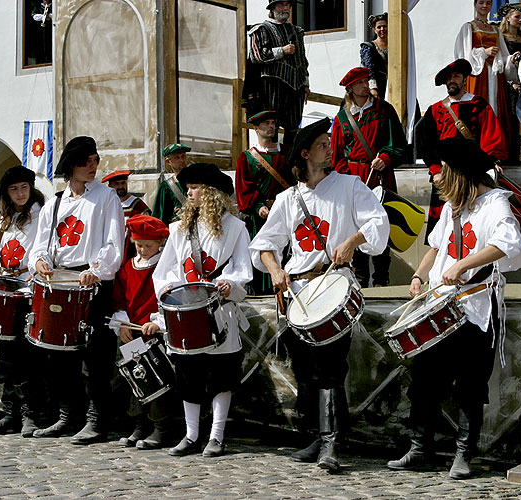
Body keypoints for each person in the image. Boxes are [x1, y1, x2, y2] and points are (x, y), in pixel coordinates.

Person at [249, 117, 389, 472]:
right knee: (305, 368)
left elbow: (377, 223)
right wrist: (276, 269)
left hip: (334, 287)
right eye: (323, 145)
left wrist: (352, 240)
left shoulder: (350, 186)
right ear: (306, 154)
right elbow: (264, 244)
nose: (331, 148)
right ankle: (316, 436)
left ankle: (331, 444)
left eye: (329, 143)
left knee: (329, 368)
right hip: (298, 294)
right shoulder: (287, 198)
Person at [386, 137, 521, 479]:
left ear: (459, 173)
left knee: (469, 384)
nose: (436, 177)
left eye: (442, 170)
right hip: (439, 304)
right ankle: (420, 448)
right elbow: (435, 247)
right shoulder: (454, 206)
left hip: (474, 306)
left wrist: (463, 265)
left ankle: (463, 454)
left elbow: (509, 244)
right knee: (424, 379)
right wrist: (420, 275)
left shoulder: (495, 204)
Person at [152, 162, 253, 458]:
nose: (189, 193)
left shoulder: (236, 228)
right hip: (187, 313)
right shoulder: (180, 229)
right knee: (188, 374)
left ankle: (217, 436)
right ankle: (191, 434)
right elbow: (166, 270)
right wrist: (169, 290)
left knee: (221, 374)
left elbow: (242, 269)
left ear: (210, 193)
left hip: (221, 313)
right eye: (189, 188)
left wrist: (228, 283)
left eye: (195, 187)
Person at [29, 136, 125, 443]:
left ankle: (97, 420)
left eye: (96, 160)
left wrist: (97, 271)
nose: (93, 166)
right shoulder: (56, 203)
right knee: (58, 355)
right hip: (61, 281)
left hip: (93, 281)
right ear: (72, 166)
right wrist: (41, 262)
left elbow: (113, 241)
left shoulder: (106, 197)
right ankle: (68, 416)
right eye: (87, 161)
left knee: (96, 356)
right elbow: (40, 246)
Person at [0, 165, 48, 437]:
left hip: (30, 292)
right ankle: (11, 413)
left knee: (29, 356)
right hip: (7, 291)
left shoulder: (41, 216)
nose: (20, 193)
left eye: (24, 188)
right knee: (7, 356)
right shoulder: (4, 221)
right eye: (14, 189)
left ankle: (32, 414)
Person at [331, 66, 407, 287]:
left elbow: (399, 145)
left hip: (380, 178)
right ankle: (361, 280)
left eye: (367, 81)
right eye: (361, 83)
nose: (367, 85)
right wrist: (345, 181)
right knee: (355, 228)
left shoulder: (384, 110)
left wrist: (386, 157)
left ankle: (382, 280)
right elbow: (336, 156)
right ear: (351, 88)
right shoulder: (342, 118)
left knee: (382, 225)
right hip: (353, 180)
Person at [415, 58, 507, 238]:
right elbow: (426, 144)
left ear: (465, 79)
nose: (451, 80)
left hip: (472, 174)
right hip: (445, 175)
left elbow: (492, 137)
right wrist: (435, 171)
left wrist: (491, 162)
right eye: (449, 78)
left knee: (474, 226)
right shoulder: (435, 110)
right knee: (442, 231)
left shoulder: (479, 105)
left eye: (456, 76)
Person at [109, 214, 173, 450]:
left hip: (152, 333)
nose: (144, 250)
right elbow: (119, 297)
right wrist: (122, 321)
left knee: (154, 379)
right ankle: (139, 424)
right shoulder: (128, 267)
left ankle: (161, 427)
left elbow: (167, 296)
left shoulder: (163, 267)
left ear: (159, 244)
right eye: (139, 245)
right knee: (133, 379)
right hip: (132, 332)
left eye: (149, 245)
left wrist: (157, 321)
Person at [235, 110, 294, 294]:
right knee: (262, 253)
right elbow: (244, 188)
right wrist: (258, 206)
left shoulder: (286, 153)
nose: (271, 126)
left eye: (273, 123)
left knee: (286, 253)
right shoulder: (247, 157)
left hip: (285, 213)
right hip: (260, 218)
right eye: (266, 123)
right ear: (256, 129)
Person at [454, 0, 514, 162]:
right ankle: (476, 149)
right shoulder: (469, 27)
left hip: (494, 75)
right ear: (475, 4)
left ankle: (494, 150)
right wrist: (483, 52)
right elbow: (462, 54)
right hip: (477, 75)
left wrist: (509, 60)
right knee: (477, 110)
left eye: (488, 3)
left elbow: (504, 53)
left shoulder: (496, 29)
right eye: (481, 2)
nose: (485, 6)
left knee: (495, 109)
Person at [247, 0, 310, 145]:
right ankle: (271, 159)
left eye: (288, 5)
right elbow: (257, 55)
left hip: (296, 86)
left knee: (293, 127)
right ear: (273, 8)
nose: (285, 8)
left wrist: (305, 83)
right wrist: (282, 50)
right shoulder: (262, 28)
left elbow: (302, 60)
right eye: (281, 5)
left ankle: (290, 161)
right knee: (271, 124)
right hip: (273, 83)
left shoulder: (297, 31)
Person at [499, 3, 521, 163]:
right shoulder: (502, 39)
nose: (520, 20)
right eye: (517, 16)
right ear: (507, 18)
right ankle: (511, 154)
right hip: (507, 83)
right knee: (511, 118)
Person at [153, 144, 191, 225]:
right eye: (177, 157)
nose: (181, 160)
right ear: (168, 161)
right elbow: (160, 217)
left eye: (183, 156)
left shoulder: (198, 181)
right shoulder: (166, 187)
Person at [360, 12, 388, 100]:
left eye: (384, 26)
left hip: (395, 84)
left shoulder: (395, 44)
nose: (382, 29)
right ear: (374, 29)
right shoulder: (369, 47)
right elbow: (368, 69)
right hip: (379, 86)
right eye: (379, 27)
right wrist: (373, 89)